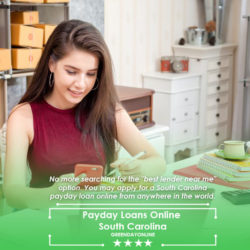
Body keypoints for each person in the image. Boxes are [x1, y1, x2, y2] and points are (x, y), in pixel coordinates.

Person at [3, 20, 166, 209]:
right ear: (51, 64)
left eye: (90, 74)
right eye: (72, 72)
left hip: (97, 219)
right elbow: (12, 192)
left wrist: (140, 169)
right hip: (45, 223)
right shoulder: (24, 117)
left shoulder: (107, 110)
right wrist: (51, 195)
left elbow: (158, 162)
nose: (81, 84)